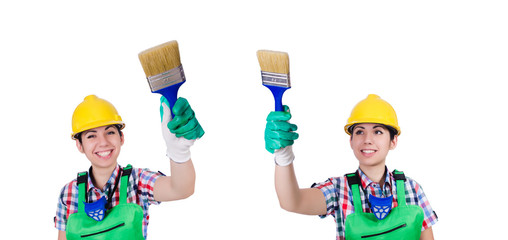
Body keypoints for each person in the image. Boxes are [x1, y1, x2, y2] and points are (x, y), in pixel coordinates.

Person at [265, 94, 438, 240]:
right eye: (360, 132)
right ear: (351, 141)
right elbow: (292, 202)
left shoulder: (412, 189)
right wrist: (283, 155)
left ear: (393, 141)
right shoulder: (338, 190)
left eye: (378, 131)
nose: (367, 139)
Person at [54, 95, 204, 239]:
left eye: (110, 132)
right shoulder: (69, 193)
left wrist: (179, 153)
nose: (103, 142)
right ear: (79, 145)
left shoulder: (137, 181)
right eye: (91, 136)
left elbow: (181, 189)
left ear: (121, 138)